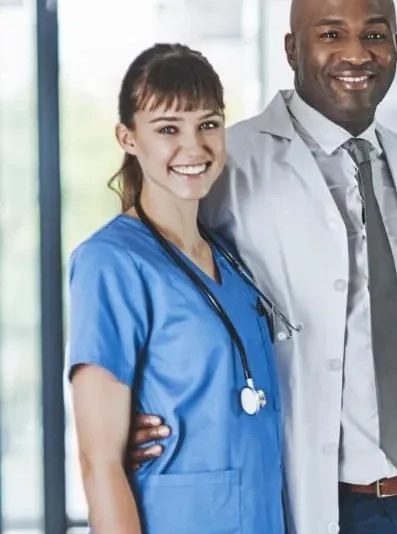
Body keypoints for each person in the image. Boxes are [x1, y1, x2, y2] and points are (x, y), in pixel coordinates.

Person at [126, 0, 397, 534]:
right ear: (291, 47)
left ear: (396, 48)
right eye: (331, 34)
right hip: (311, 494)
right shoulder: (228, 160)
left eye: (374, 34)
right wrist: (128, 403)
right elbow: (146, 279)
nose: (356, 53)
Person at [68, 43, 286, 533]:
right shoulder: (111, 262)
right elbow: (97, 461)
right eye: (168, 129)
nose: (194, 147)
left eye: (208, 124)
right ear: (127, 137)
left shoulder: (231, 258)